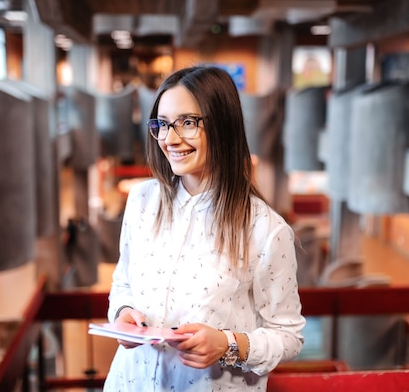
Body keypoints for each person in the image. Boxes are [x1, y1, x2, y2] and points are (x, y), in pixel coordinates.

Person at [104, 65, 305, 391]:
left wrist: (228, 344)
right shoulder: (141, 200)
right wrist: (124, 312)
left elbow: (289, 335)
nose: (170, 139)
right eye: (163, 124)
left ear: (222, 125)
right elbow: (123, 283)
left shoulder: (265, 229)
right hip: (131, 382)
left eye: (187, 123)